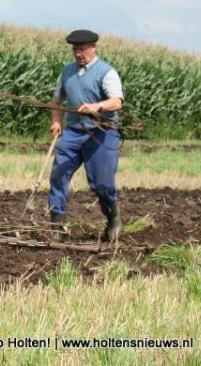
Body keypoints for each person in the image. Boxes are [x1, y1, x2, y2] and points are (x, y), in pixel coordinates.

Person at [48, 29, 124, 242]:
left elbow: (116, 101)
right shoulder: (67, 72)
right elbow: (56, 101)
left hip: (102, 133)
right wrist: (56, 121)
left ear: (93, 48)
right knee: (58, 175)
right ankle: (57, 224)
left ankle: (113, 217)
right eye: (75, 50)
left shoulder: (106, 72)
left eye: (82, 50)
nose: (78, 54)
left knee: (102, 183)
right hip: (73, 132)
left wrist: (96, 106)